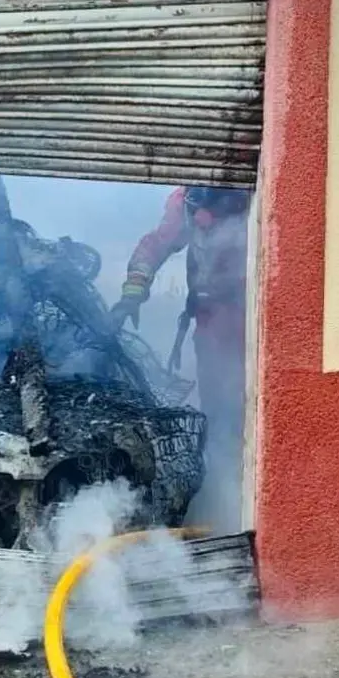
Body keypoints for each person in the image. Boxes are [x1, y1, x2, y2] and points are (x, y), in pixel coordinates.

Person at [109, 185, 251, 532]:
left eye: (210, 213)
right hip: (210, 321)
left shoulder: (254, 197)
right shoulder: (185, 200)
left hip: (252, 318)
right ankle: (221, 499)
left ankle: (245, 496)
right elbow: (155, 245)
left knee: (250, 411)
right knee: (219, 412)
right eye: (197, 210)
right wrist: (133, 293)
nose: (202, 219)